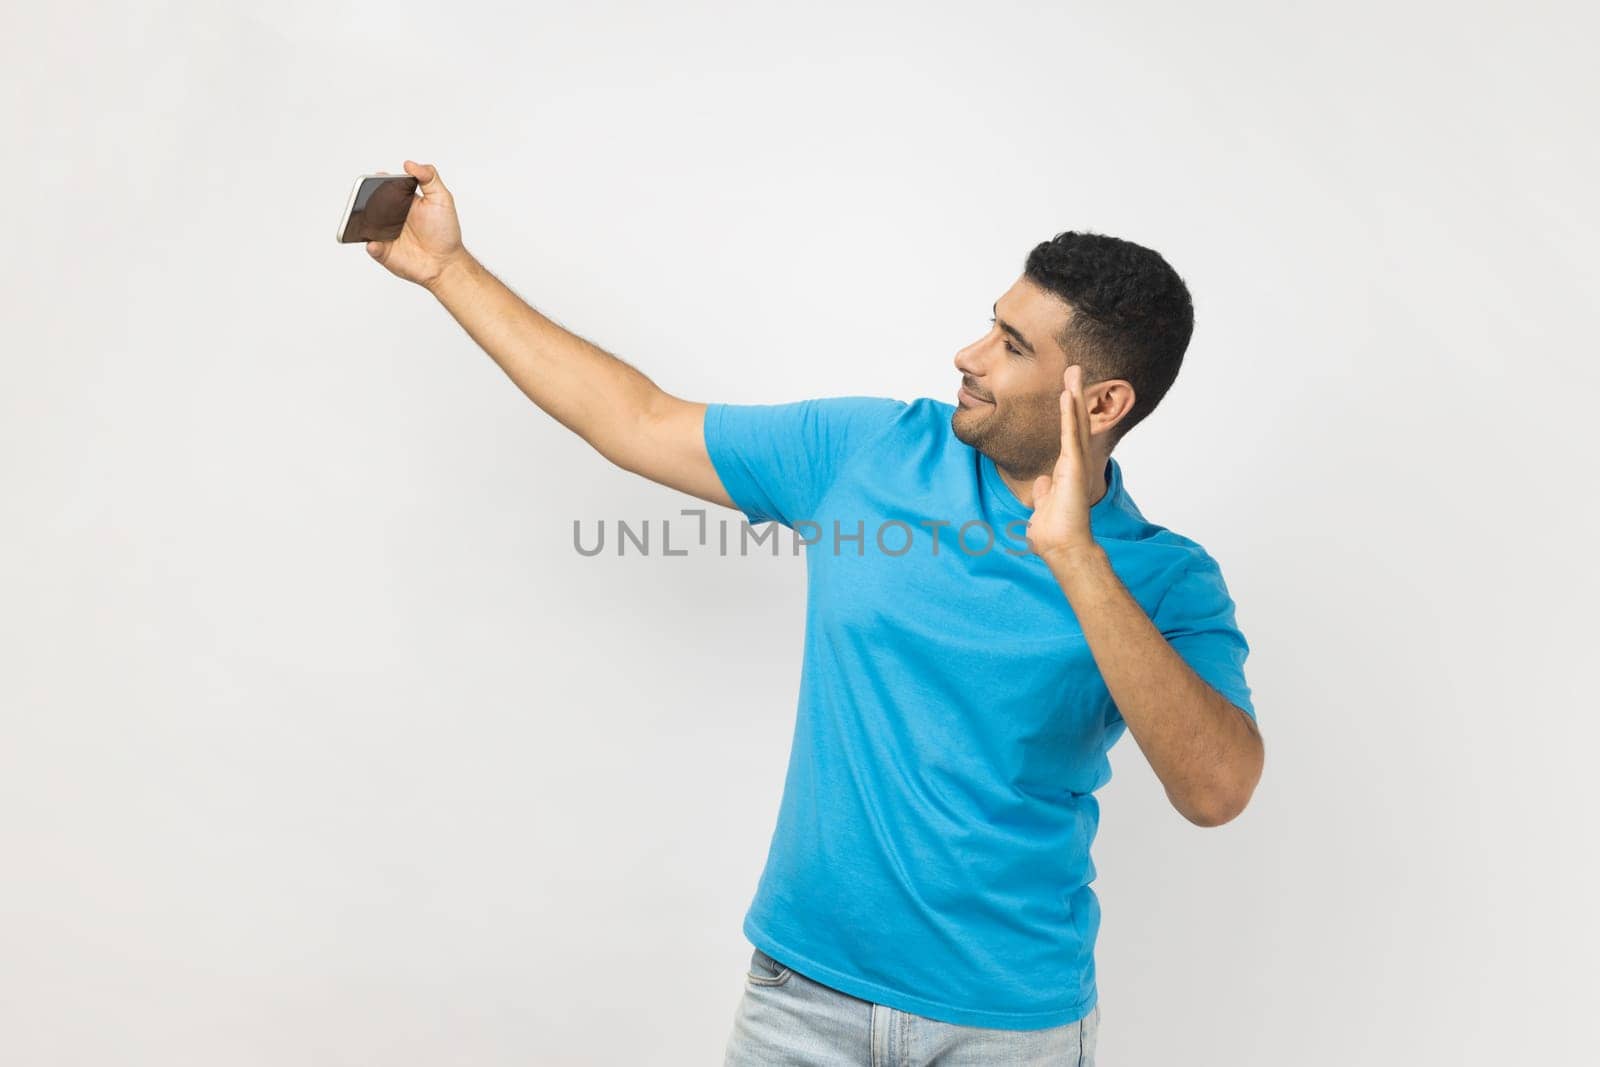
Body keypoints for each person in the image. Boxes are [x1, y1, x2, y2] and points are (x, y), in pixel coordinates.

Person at [363, 159, 1265, 1066]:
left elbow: (1216, 790)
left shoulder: (1166, 579)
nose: (969, 355)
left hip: (1009, 1023)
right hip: (802, 999)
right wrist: (449, 269)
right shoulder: (869, 450)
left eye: (1013, 347)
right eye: (992, 326)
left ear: (1103, 403)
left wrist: (1075, 555)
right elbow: (635, 420)